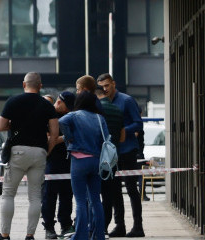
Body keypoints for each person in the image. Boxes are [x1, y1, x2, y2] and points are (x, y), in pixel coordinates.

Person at [0, 71, 60, 240]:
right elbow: (54, 134)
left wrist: (13, 125)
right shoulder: (48, 106)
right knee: (35, 197)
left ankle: (5, 235)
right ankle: (30, 235)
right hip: (39, 152)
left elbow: (0, 126)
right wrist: (47, 151)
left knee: (8, 194)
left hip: (18, 151)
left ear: (24, 84)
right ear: (40, 86)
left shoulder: (13, 101)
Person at [97, 73, 145, 237]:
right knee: (114, 190)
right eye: (102, 87)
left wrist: (121, 130)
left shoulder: (126, 100)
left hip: (127, 150)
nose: (105, 89)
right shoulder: (102, 103)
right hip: (112, 152)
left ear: (113, 84)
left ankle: (138, 226)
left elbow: (138, 124)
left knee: (131, 188)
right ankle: (120, 225)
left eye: (107, 85)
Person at [59, 91, 110, 240]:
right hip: (96, 161)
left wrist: (69, 137)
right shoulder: (99, 118)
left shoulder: (74, 115)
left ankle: (80, 236)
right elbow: (106, 138)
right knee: (96, 200)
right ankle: (99, 235)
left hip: (79, 160)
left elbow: (62, 121)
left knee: (81, 201)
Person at [41, 92, 75, 240]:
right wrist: (66, 138)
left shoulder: (70, 116)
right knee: (49, 196)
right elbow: (48, 138)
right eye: (67, 107)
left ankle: (66, 225)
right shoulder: (47, 115)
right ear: (60, 103)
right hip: (51, 161)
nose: (68, 111)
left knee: (67, 195)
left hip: (68, 160)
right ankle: (49, 227)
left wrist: (59, 138)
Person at [96, 77, 127, 234]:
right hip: (112, 158)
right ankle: (105, 227)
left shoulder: (96, 110)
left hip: (97, 157)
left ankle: (96, 227)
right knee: (109, 195)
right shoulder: (117, 110)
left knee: (94, 195)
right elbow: (122, 137)